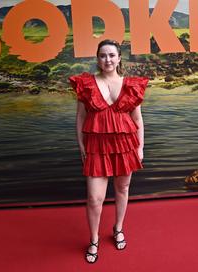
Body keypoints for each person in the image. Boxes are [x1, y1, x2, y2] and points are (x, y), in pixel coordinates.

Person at [69, 39, 149, 264]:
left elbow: (138, 119)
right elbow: (80, 118)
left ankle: (118, 228)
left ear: (119, 58)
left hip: (125, 146)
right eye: (103, 55)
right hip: (96, 146)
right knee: (95, 198)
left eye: (112, 55)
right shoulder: (86, 84)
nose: (108, 60)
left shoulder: (131, 84)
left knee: (122, 188)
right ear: (97, 58)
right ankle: (94, 239)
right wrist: (82, 146)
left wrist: (140, 148)